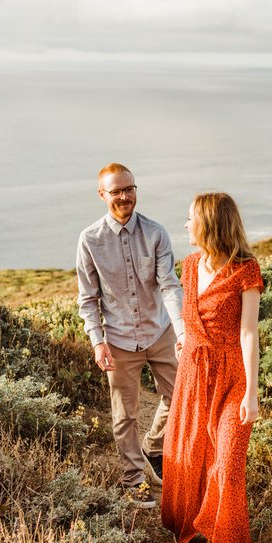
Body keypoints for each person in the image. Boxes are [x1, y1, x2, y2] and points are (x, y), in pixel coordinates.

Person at [161, 192, 263, 543]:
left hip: (232, 376)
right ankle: (201, 535)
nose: (185, 225)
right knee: (192, 456)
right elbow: (192, 315)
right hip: (192, 372)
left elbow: (249, 334)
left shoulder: (245, 270)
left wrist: (252, 392)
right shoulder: (188, 266)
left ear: (209, 223)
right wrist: (186, 336)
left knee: (228, 462)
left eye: (190, 218)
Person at [76, 163, 185, 508]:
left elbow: (169, 285)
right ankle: (133, 480)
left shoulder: (156, 233)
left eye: (129, 189)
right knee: (125, 414)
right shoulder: (89, 240)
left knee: (182, 395)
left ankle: (154, 448)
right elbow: (88, 299)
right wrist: (97, 340)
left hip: (160, 331)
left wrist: (181, 331)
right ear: (102, 195)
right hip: (119, 340)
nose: (124, 197)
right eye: (116, 191)